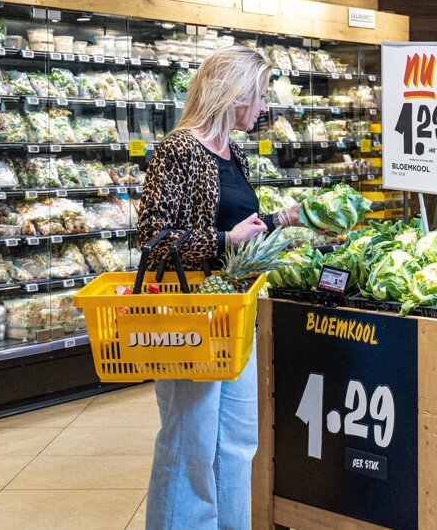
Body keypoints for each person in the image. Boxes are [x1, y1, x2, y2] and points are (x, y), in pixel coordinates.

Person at [137, 45, 301, 529]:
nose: (265, 106)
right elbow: (152, 241)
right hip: (190, 317)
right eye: (261, 94)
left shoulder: (232, 153)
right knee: (190, 441)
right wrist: (224, 238)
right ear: (235, 93)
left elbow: (240, 228)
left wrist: (283, 220)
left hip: (234, 313)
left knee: (235, 442)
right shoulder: (178, 150)